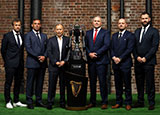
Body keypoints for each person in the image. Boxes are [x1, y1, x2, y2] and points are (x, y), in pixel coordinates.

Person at [133, 12, 159, 110]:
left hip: (149, 62)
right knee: (139, 82)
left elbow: (154, 47)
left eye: (146, 18)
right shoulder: (137, 31)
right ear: (140, 20)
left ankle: (151, 102)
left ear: (149, 19)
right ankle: (140, 101)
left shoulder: (154, 31)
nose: (144, 20)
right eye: (142, 18)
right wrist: (136, 57)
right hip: (138, 61)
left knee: (150, 83)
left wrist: (146, 58)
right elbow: (133, 46)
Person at [85, 16, 110, 109]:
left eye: (98, 21)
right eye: (95, 21)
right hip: (91, 62)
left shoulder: (106, 32)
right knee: (92, 82)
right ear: (92, 22)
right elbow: (85, 45)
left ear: (101, 23)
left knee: (103, 82)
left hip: (101, 61)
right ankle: (92, 101)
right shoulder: (88, 33)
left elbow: (106, 45)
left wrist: (96, 53)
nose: (96, 22)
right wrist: (89, 53)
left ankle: (104, 102)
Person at [1, 18, 27, 109]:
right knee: (8, 83)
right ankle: (8, 101)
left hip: (20, 64)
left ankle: (16, 100)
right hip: (10, 64)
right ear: (13, 26)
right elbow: (3, 50)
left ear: (20, 26)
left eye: (19, 25)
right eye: (16, 25)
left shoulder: (22, 36)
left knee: (18, 82)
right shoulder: (7, 36)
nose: (17, 27)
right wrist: (7, 61)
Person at [111, 18, 135, 110]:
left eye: (123, 23)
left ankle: (128, 102)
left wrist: (120, 58)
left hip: (125, 64)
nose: (121, 25)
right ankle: (118, 102)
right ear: (118, 25)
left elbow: (129, 49)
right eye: (119, 23)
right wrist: (113, 57)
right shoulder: (114, 35)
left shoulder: (130, 35)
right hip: (116, 64)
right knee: (118, 84)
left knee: (127, 84)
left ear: (126, 25)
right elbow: (111, 48)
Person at [25, 19, 48, 109]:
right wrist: (39, 56)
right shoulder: (28, 35)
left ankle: (38, 100)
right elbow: (28, 48)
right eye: (35, 24)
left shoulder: (44, 36)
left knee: (40, 83)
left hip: (42, 63)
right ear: (32, 25)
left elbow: (47, 48)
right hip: (32, 63)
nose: (37, 25)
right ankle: (29, 101)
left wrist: (44, 56)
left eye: (38, 24)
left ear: (40, 25)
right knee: (30, 83)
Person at [46, 24, 70, 110]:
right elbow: (49, 52)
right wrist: (55, 62)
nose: (59, 31)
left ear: (63, 30)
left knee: (63, 85)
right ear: (55, 31)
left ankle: (62, 102)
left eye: (60, 29)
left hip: (64, 66)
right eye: (57, 29)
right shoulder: (51, 40)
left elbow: (69, 52)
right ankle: (50, 102)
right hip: (53, 66)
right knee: (52, 85)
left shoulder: (68, 40)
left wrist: (64, 61)